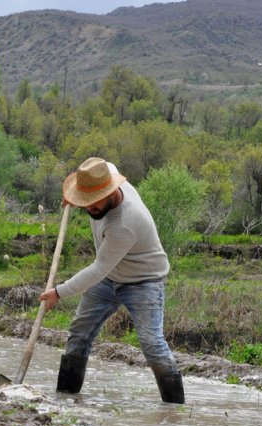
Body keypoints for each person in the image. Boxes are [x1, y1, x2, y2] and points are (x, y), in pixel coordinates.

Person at [39, 157, 184, 404]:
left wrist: (58, 292)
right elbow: (97, 169)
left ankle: (175, 410)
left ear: (111, 191)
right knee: (79, 334)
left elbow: (98, 270)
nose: (90, 208)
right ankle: (65, 399)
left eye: (94, 203)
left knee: (152, 344)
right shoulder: (104, 175)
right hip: (109, 280)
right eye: (85, 202)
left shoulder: (125, 223)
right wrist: (75, 198)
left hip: (143, 281)